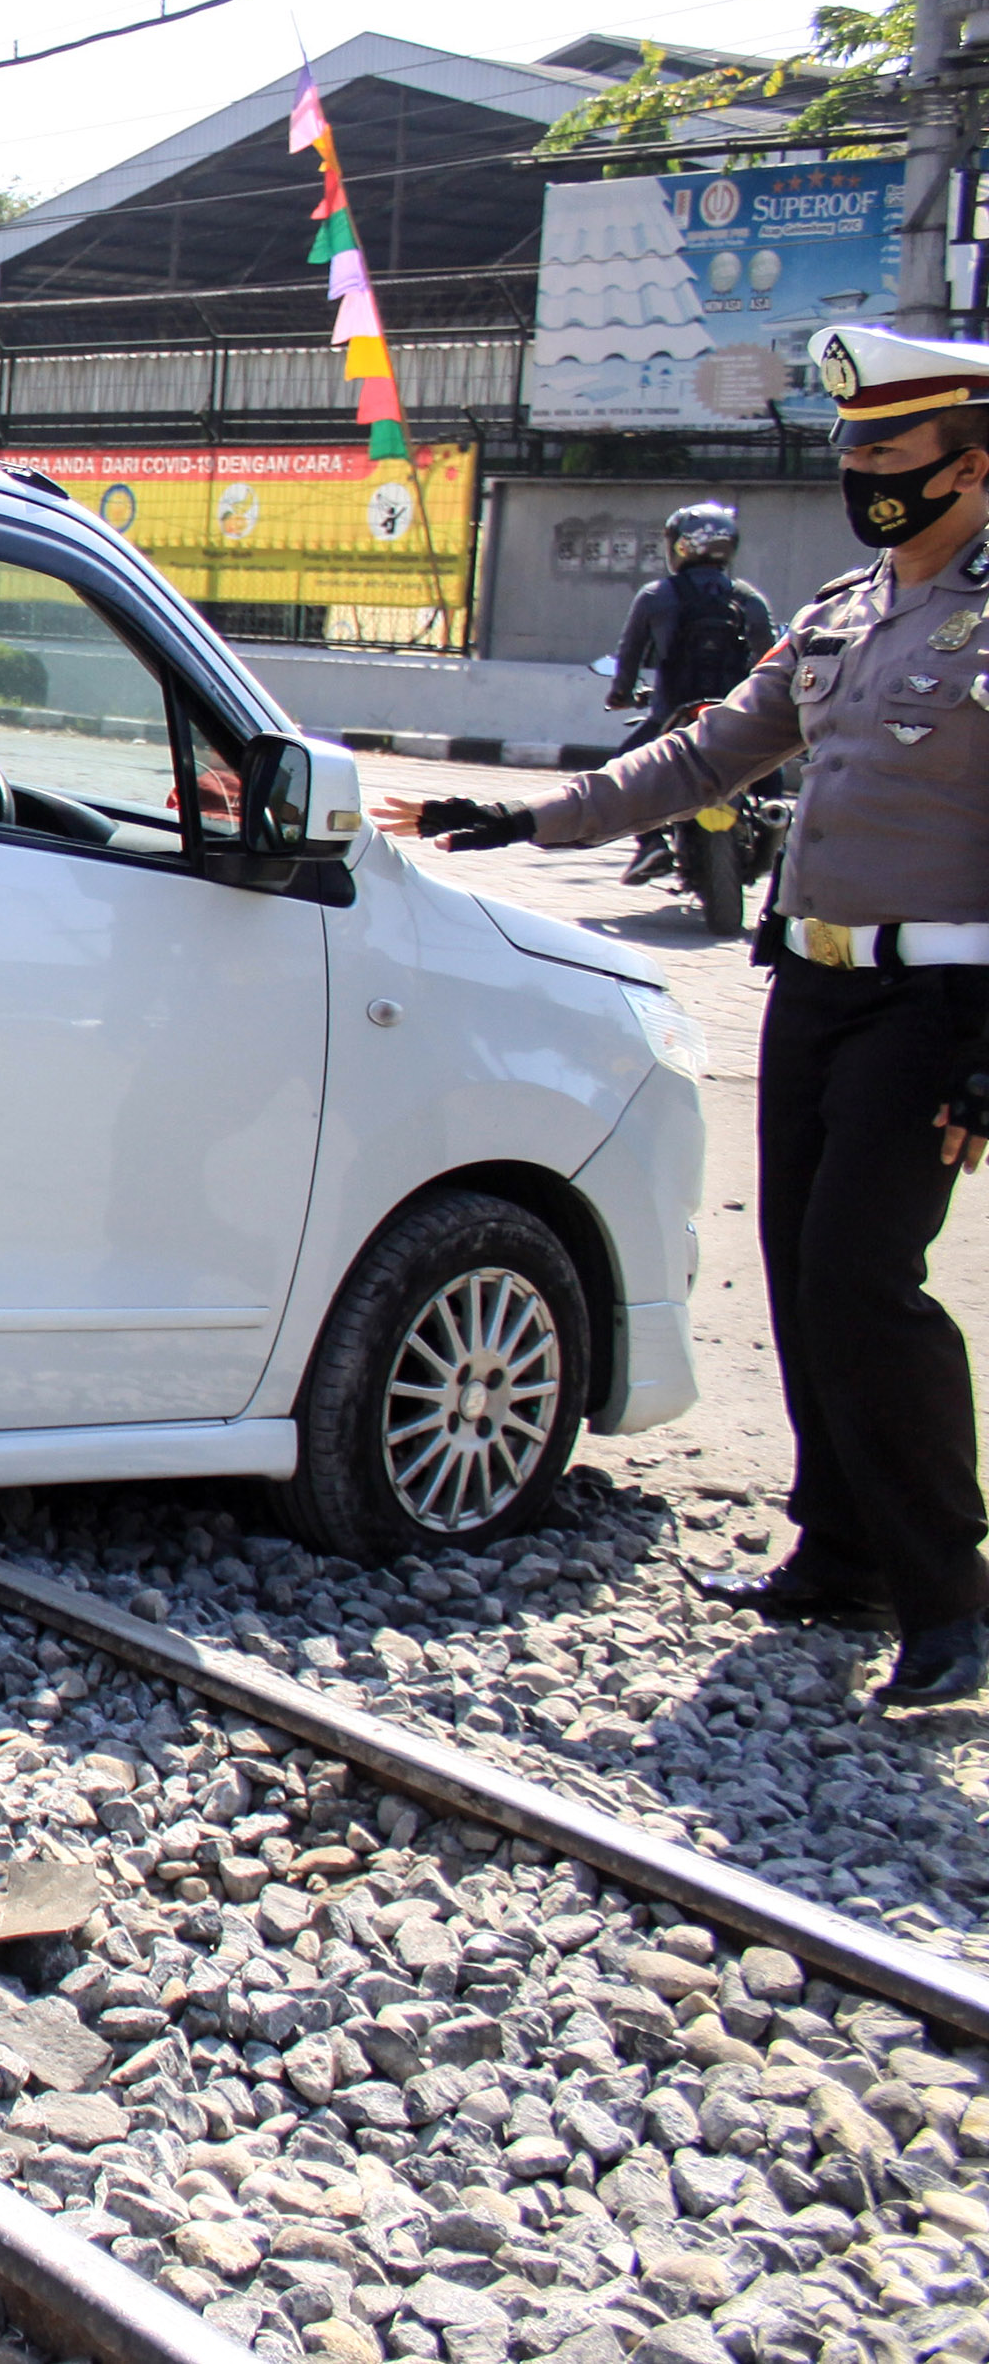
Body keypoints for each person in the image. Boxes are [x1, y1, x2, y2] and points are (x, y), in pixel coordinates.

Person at [381, 321, 989, 1709]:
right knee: (794, 1262)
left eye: (889, 453)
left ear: (970, 461)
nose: (862, 472)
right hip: (819, 984)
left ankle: (951, 1590)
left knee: (864, 1277)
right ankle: (842, 1556)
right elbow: (706, 750)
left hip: (943, 999)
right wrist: (521, 813)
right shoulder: (844, 611)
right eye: (852, 451)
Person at [604, 503, 775, 880]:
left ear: (678, 546)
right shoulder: (748, 597)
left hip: (674, 714)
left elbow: (629, 653)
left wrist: (620, 694)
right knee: (772, 755)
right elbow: (772, 657)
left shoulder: (655, 595)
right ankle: (774, 817)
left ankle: (650, 844)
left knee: (624, 768)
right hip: (736, 712)